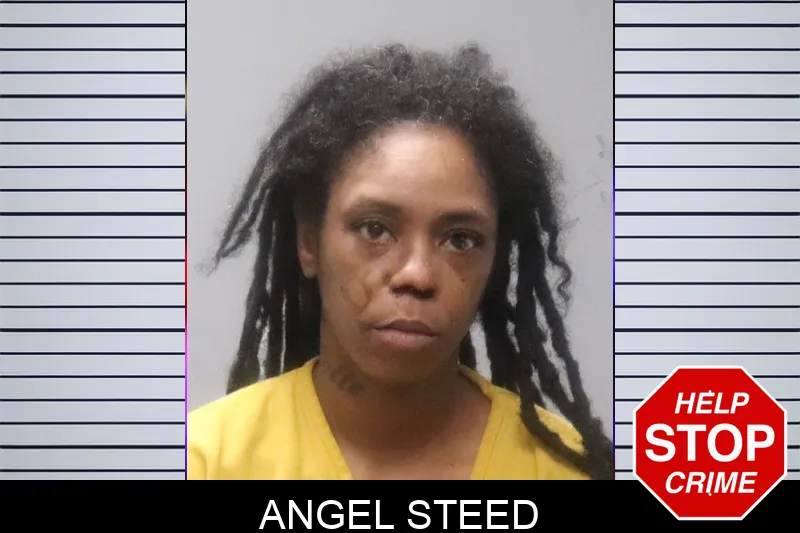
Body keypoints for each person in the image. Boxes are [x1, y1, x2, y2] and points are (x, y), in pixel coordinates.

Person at [188, 43, 613, 480]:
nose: (417, 275)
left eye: (461, 239)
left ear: (494, 260)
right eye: (375, 229)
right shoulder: (203, 461)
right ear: (309, 243)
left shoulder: (565, 470)